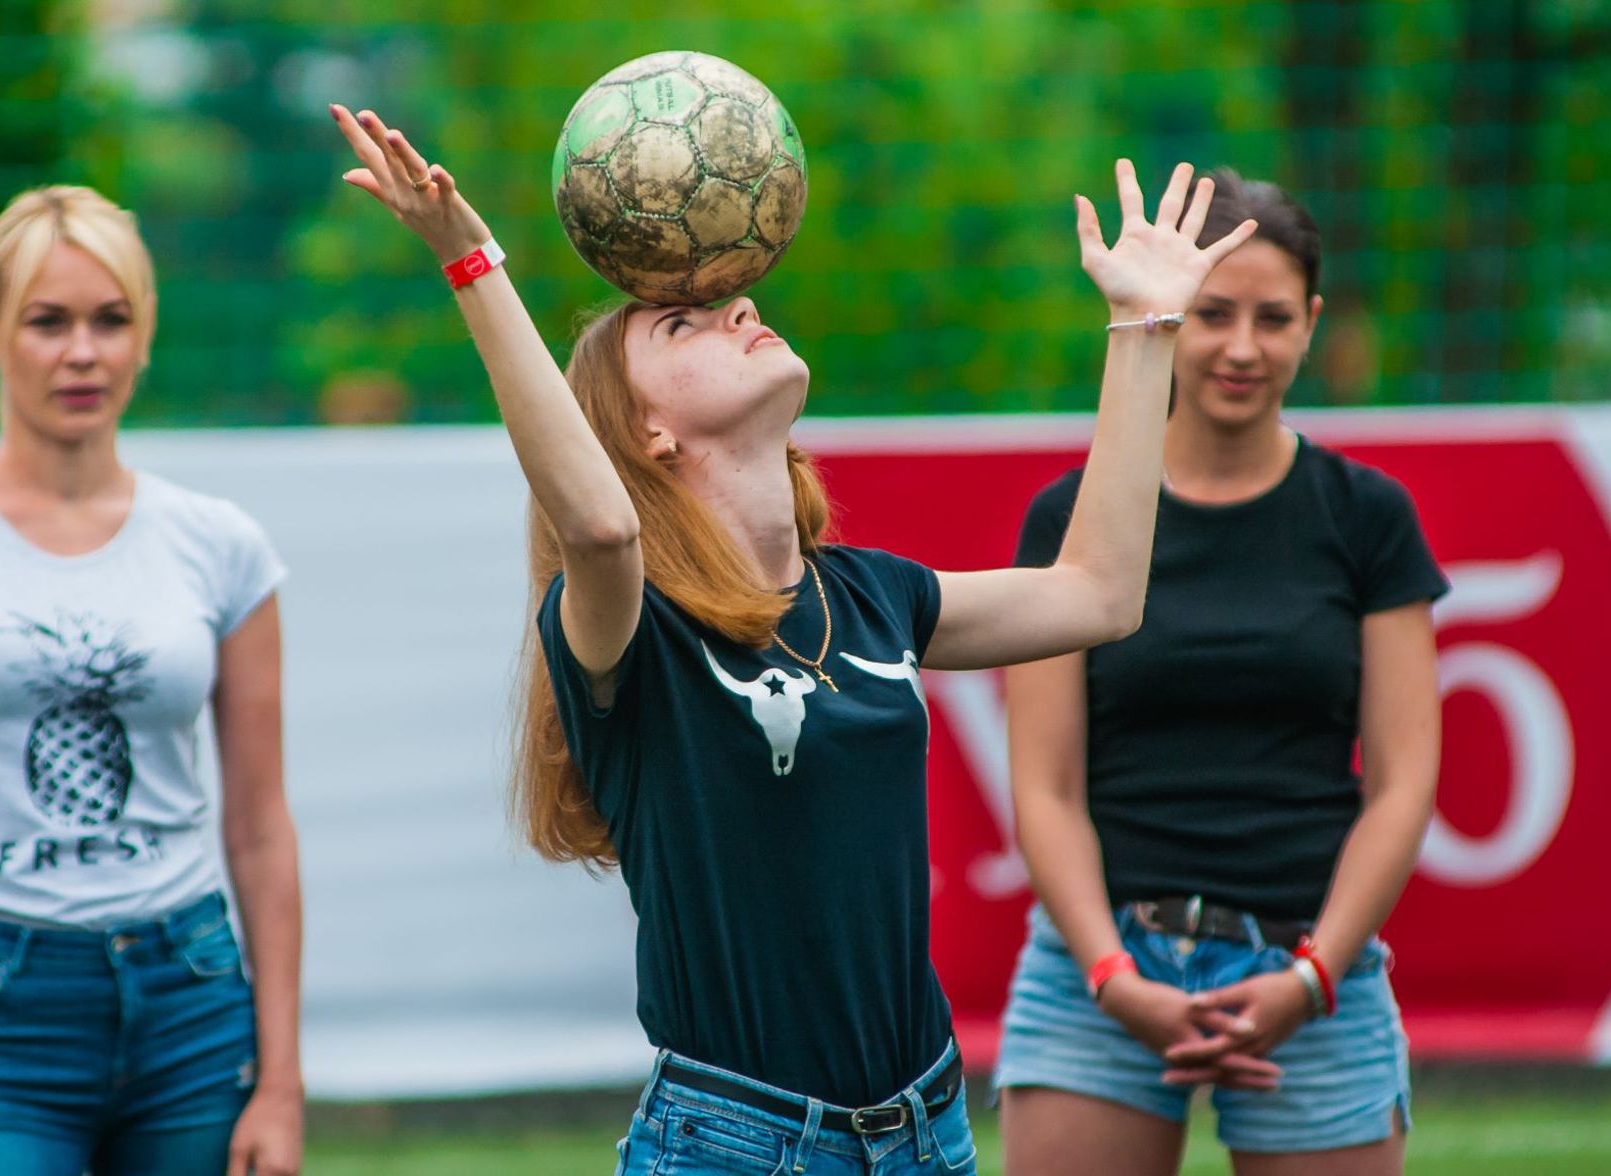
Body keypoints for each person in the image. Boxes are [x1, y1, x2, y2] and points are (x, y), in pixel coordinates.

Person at [332, 102, 1254, 1175]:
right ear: (645, 432)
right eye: (684, 324)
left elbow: (1099, 594)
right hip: (734, 1141)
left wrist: (1144, 326)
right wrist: (471, 263)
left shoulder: (871, 598)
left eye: (733, 301)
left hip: (928, 1130)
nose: (738, 309)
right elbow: (596, 521)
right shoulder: (632, 634)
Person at [996, 170, 1447, 1176]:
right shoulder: (1065, 520)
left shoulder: (1367, 517)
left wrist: (1310, 978)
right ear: (1167, 318)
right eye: (1211, 315)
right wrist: (1114, 981)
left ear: (1310, 323)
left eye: (1273, 318)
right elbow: (1044, 787)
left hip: (1310, 970)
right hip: (1097, 971)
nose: (1242, 347)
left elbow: (1402, 784)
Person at [0, 186, 303, 1175]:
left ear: (145, 333)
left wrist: (281, 1085)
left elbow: (257, 825)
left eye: (110, 320)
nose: (83, 352)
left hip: (192, 998)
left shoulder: (220, 544)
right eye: (48, 322)